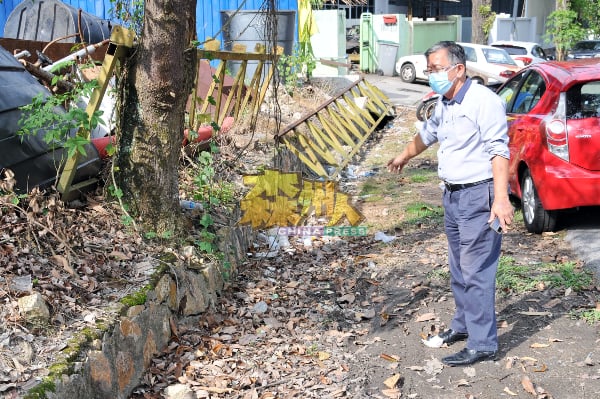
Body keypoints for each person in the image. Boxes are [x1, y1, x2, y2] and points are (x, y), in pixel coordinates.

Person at [387, 41, 514, 366]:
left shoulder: (484, 102)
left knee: (477, 271)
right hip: (453, 196)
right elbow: (427, 135)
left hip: (479, 195)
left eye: (436, 68)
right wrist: (403, 155)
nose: (431, 74)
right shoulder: (444, 103)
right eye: (429, 68)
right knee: (459, 268)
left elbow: (499, 150)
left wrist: (501, 199)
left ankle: (484, 343)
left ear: (459, 69)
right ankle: (462, 326)